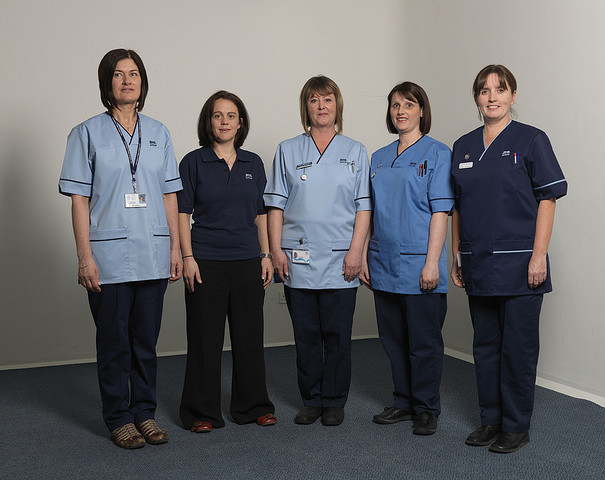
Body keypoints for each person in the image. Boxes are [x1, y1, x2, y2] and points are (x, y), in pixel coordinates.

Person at [58, 49, 182, 449]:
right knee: (114, 344)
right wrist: (85, 258)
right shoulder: (86, 132)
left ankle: (144, 412)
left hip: (153, 252)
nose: (127, 81)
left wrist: (176, 249)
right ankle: (118, 417)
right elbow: (79, 200)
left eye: (134, 74)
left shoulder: (159, 132)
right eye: (118, 74)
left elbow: (169, 196)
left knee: (145, 343)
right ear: (106, 82)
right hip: (108, 257)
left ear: (143, 82)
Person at [450, 65, 567, 453]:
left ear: (513, 96)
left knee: (517, 349)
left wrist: (539, 255)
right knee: (485, 347)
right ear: (476, 98)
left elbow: (547, 199)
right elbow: (458, 207)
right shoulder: (463, 146)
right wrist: (457, 254)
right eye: (484, 91)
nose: (492, 97)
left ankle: (516, 427)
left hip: (520, 265)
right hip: (478, 263)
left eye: (500, 90)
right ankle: (491, 420)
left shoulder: (531, 140)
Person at [265, 75, 371, 426]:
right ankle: (311, 399)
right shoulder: (287, 149)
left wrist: (357, 252)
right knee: (306, 335)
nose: (321, 106)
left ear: (337, 105)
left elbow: (364, 207)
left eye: (327, 99)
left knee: (337, 336)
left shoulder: (355, 151)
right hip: (298, 258)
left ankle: (335, 400)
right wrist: (276, 251)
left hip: (342, 257)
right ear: (305, 107)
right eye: (314, 100)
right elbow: (275, 206)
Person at [178, 91, 276, 432]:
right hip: (205, 262)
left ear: (240, 122)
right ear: (208, 122)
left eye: (231, 115)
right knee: (204, 341)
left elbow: (261, 213)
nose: (224, 121)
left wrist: (266, 255)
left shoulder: (253, 163)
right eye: (217, 115)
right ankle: (200, 412)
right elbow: (182, 213)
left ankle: (253, 407)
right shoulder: (193, 162)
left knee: (250, 339)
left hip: (248, 261)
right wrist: (187, 257)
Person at [360, 82, 454, 436]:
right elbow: (370, 211)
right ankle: (403, 401)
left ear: (422, 111)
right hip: (383, 262)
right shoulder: (378, 157)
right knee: (393, 340)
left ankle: (426, 408)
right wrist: (364, 255)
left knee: (423, 343)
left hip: (419, 264)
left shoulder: (438, 153)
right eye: (395, 105)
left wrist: (432, 262)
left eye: (409, 104)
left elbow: (440, 211)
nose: (401, 111)